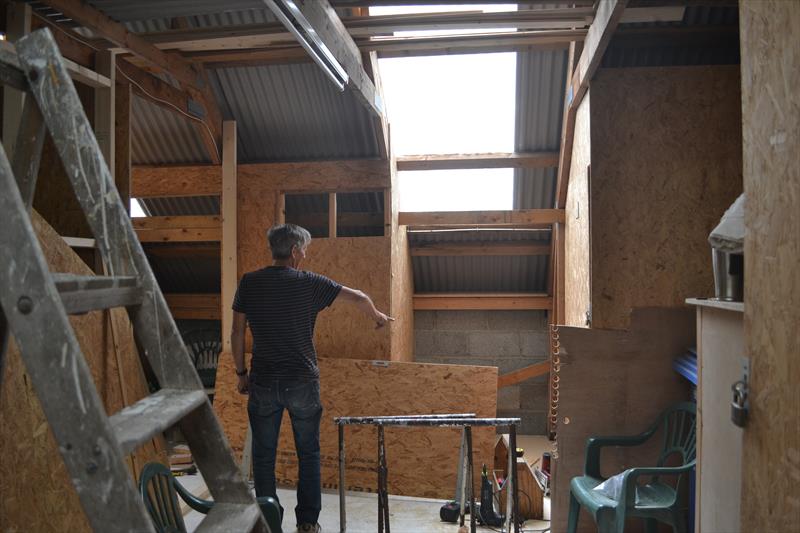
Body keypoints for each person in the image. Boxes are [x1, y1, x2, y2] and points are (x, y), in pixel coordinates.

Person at [231, 223, 393, 533]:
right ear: (293, 251)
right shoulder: (310, 283)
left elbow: (237, 331)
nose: (305, 254)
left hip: (263, 381)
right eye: (304, 249)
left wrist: (241, 373)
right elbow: (359, 297)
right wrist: (378, 317)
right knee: (309, 453)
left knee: (263, 455)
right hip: (302, 382)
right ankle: (307, 523)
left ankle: (268, 521)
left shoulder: (249, 282)